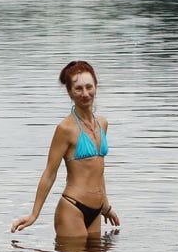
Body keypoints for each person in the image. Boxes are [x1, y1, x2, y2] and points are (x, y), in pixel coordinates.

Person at [10, 60, 121, 237]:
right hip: (72, 209)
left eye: (89, 87)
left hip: (96, 212)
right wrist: (34, 214)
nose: (85, 93)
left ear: (96, 87)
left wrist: (106, 207)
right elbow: (49, 173)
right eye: (78, 89)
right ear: (70, 92)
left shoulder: (102, 123)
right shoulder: (65, 129)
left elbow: (98, 171)